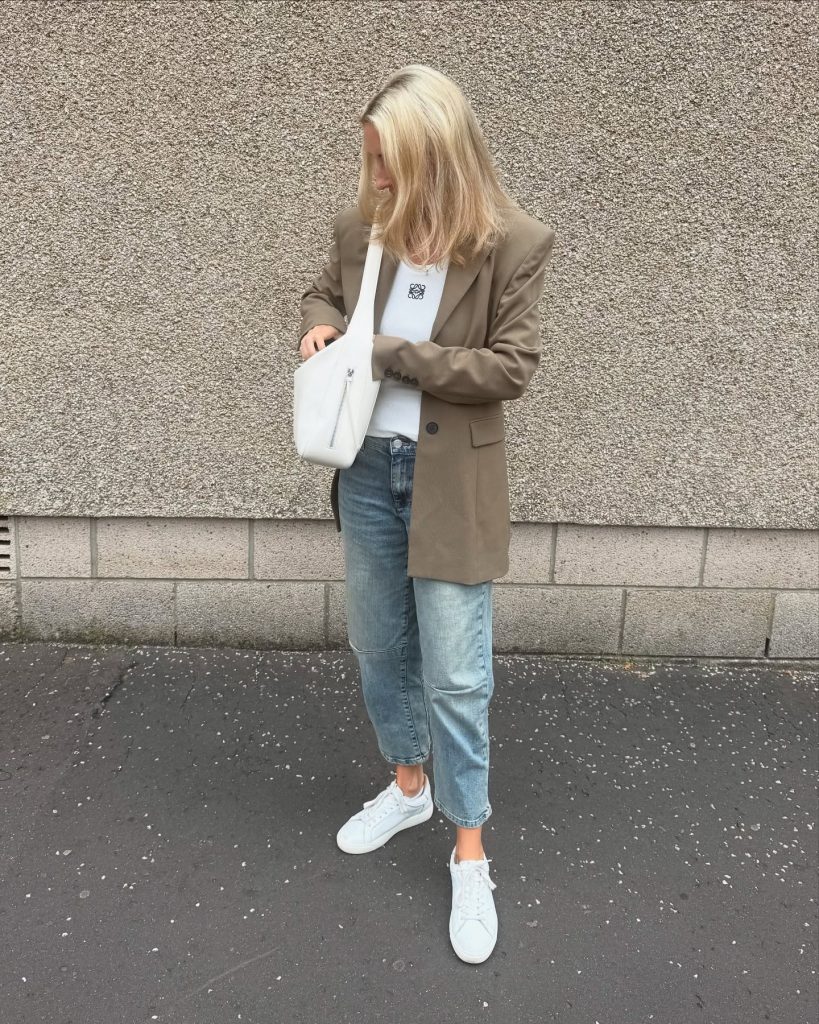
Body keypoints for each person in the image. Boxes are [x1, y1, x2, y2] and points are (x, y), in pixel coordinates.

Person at [296, 64, 555, 964]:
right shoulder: (361, 230)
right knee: (377, 645)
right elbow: (324, 292)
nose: (374, 182)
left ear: (436, 158)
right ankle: (409, 786)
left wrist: (394, 354)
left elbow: (507, 369)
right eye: (369, 162)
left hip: (452, 480)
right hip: (366, 468)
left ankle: (470, 849)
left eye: (388, 164)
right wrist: (321, 325)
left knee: (455, 672)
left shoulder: (512, 243)